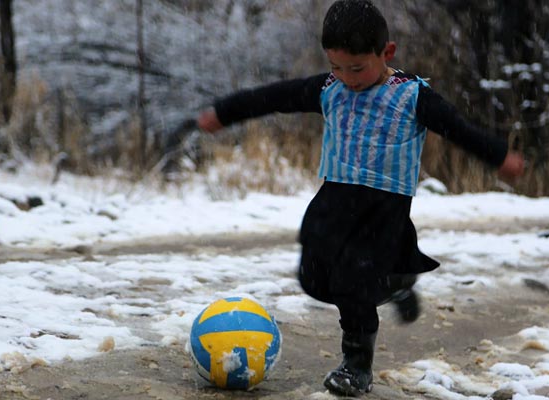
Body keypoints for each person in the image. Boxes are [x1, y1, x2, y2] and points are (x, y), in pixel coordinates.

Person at [195, 0, 525, 396]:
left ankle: (356, 366)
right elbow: (274, 97)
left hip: (383, 209)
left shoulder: (411, 96)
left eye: (357, 68)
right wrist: (224, 112)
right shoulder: (329, 88)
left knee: (352, 284)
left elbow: (458, 129)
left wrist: (498, 155)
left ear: (386, 53)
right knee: (314, 279)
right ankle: (396, 280)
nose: (347, 78)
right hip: (334, 198)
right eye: (337, 67)